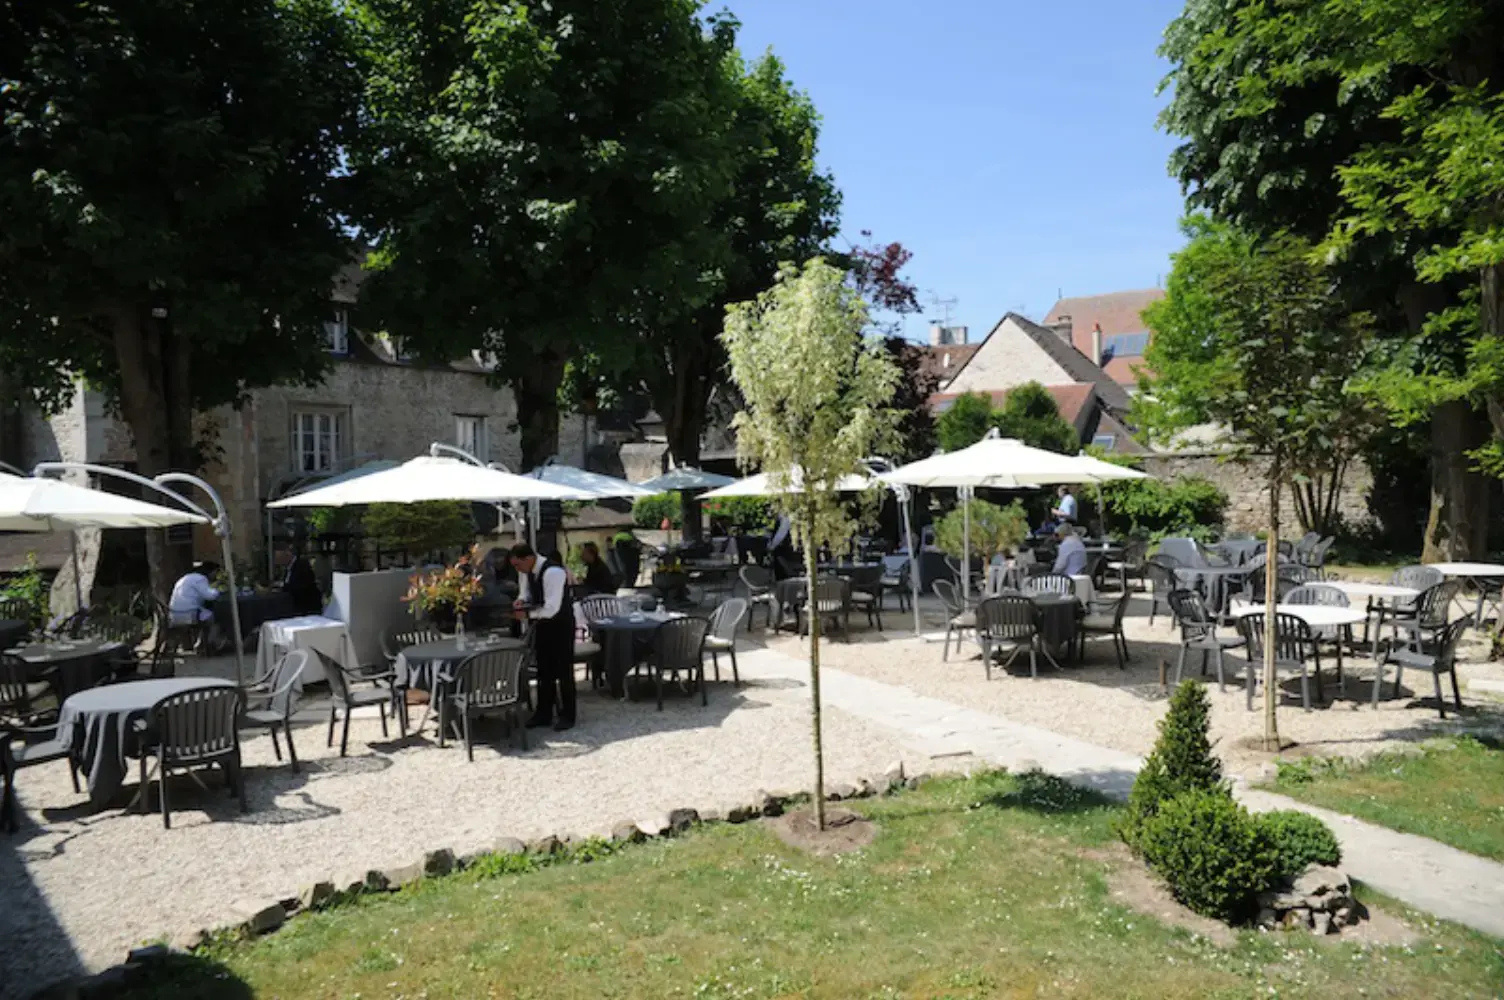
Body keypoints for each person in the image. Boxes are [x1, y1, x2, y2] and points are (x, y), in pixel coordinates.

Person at [510, 542, 576, 731]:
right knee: (543, 670)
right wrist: (521, 601)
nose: (517, 570)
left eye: (518, 565)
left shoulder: (553, 572)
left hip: (561, 624)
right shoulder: (526, 571)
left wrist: (527, 615)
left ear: (528, 559)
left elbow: (552, 607)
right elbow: (525, 591)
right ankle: (543, 713)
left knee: (563, 671)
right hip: (542, 624)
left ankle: (568, 715)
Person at [169, 560, 223, 653]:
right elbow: (209, 596)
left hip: (174, 614)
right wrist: (218, 590)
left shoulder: (185, 578)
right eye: (215, 572)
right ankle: (209, 645)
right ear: (211, 571)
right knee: (215, 618)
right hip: (189, 614)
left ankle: (200, 643)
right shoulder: (200, 579)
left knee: (205, 614)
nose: (216, 575)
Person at [281, 547, 323, 616]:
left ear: (287, 555)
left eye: (280, 559)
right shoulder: (288, 568)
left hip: (307, 607)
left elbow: (301, 586)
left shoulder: (302, 565)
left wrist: (285, 588)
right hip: (297, 606)